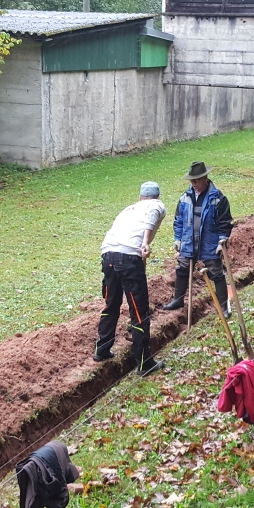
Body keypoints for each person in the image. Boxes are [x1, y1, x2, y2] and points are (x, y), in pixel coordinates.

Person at [93, 181, 167, 375]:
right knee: (139, 311)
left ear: (140, 197)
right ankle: (144, 363)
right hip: (129, 259)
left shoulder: (129, 209)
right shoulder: (157, 205)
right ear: (157, 197)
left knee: (111, 304)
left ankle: (102, 350)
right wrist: (145, 243)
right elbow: (152, 216)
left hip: (108, 256)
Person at [161, 161, 233, 314]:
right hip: (189, 241)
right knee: (182, 269)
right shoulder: (185, 197)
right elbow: (179, 220)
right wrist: (178, 239)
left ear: (205, 178)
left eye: (197, 180)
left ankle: (223, 306)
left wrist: (222, 240)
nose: (194, 184)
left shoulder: (218, 198)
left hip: (209, 242)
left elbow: (225, 222)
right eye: (192, 180)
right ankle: (178, 299)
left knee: (216, 273)